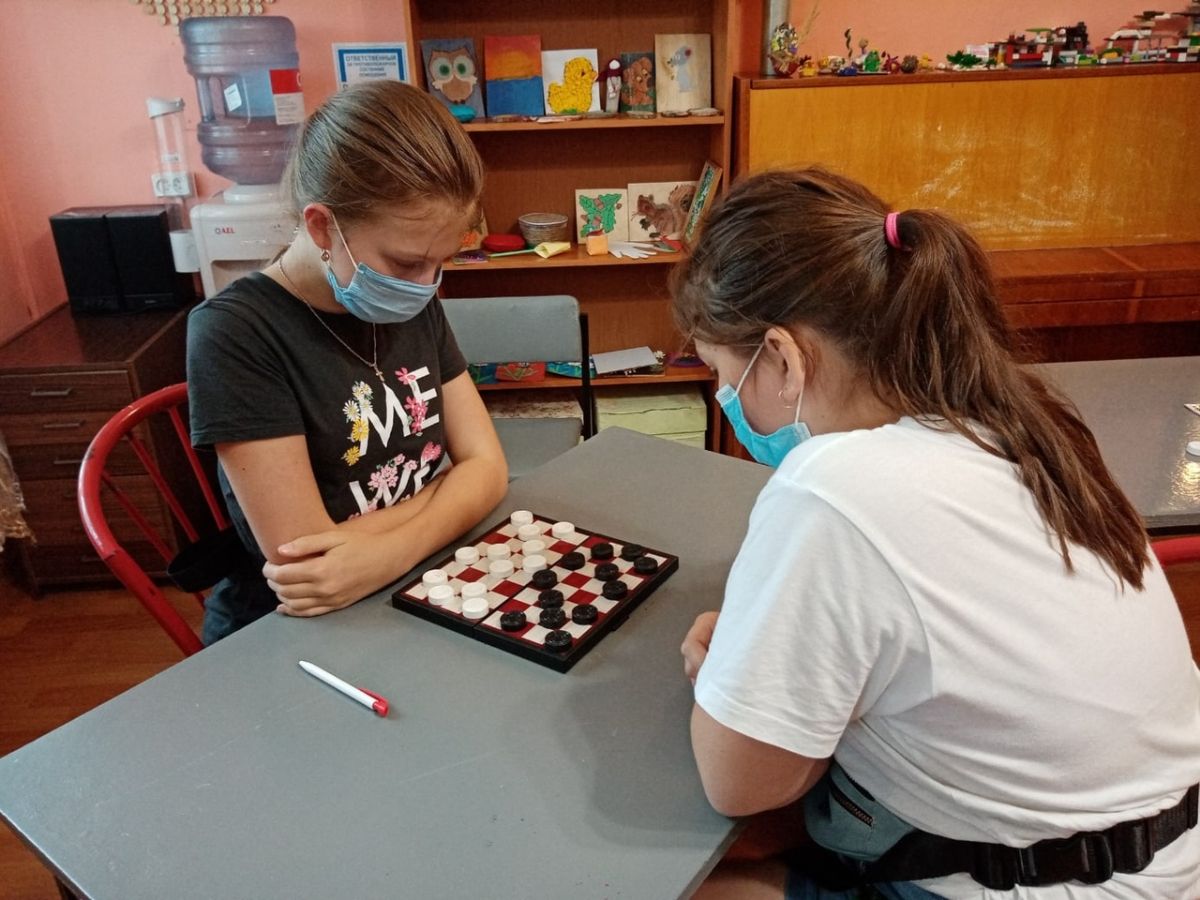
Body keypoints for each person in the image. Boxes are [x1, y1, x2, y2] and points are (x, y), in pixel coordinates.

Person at [673, 168, 1200, 899]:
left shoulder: (833, 487)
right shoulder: (1019, 423)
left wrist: (723, 672)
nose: (724, 398)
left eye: (721, 373)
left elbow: (739, 783)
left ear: (784, 359)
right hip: (1163, 855)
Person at [186, 81, 507, 645]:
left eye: (441, 262)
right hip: (295, 629)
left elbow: (488, 467)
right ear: (321, 226)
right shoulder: (235, 333)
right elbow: (308, 562)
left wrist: (390, 549)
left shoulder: (411, 299)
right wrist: (450, 496)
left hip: (406, 580)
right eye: (406, 262)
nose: (426, 284)